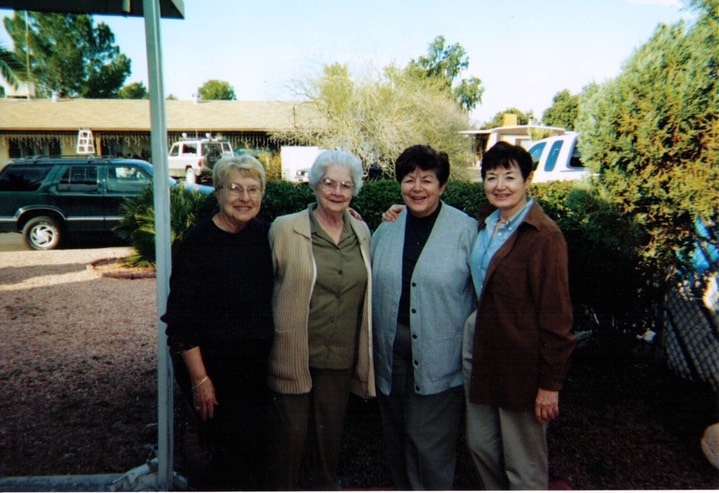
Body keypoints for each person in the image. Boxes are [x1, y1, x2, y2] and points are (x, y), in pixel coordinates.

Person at [463, 141, 576, 490]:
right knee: (481, 446)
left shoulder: (544, 236)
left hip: (521, 360)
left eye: (509, 176)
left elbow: (557, 317)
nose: (500, 185)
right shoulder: (485, 223)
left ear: (528, 179)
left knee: (522, 461)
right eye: (491, 176)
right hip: (480, 349)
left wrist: (549, 386)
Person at [162, 155, 274, 490]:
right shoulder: (197, 244)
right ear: (218, 193)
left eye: (253, 189)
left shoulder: (263, 236)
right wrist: (200, 381)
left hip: (252, 370)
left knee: (251, 456)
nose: (244, 197)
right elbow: (180, 322)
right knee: (220, 458)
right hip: (211, 371)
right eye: (235, 189)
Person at [267, 149, 375, 490]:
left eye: (346, 185)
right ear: (315, 185)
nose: (337, 192)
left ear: (354, 190)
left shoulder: (361, 230)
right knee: (291, 438)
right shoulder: (285, 229)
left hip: (340, 354)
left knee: (330, 440)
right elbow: (265, 286)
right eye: (329, 183)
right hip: (294, 350)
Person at [371, 144, 477, 490]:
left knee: (429, 445)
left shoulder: (465, 231)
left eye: (427, 180)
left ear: (442, 186)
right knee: (396, 437)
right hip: (391, 354)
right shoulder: (388, 226)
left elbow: (481, 297)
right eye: (409, 179)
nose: (417, 187)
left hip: (439, 358)